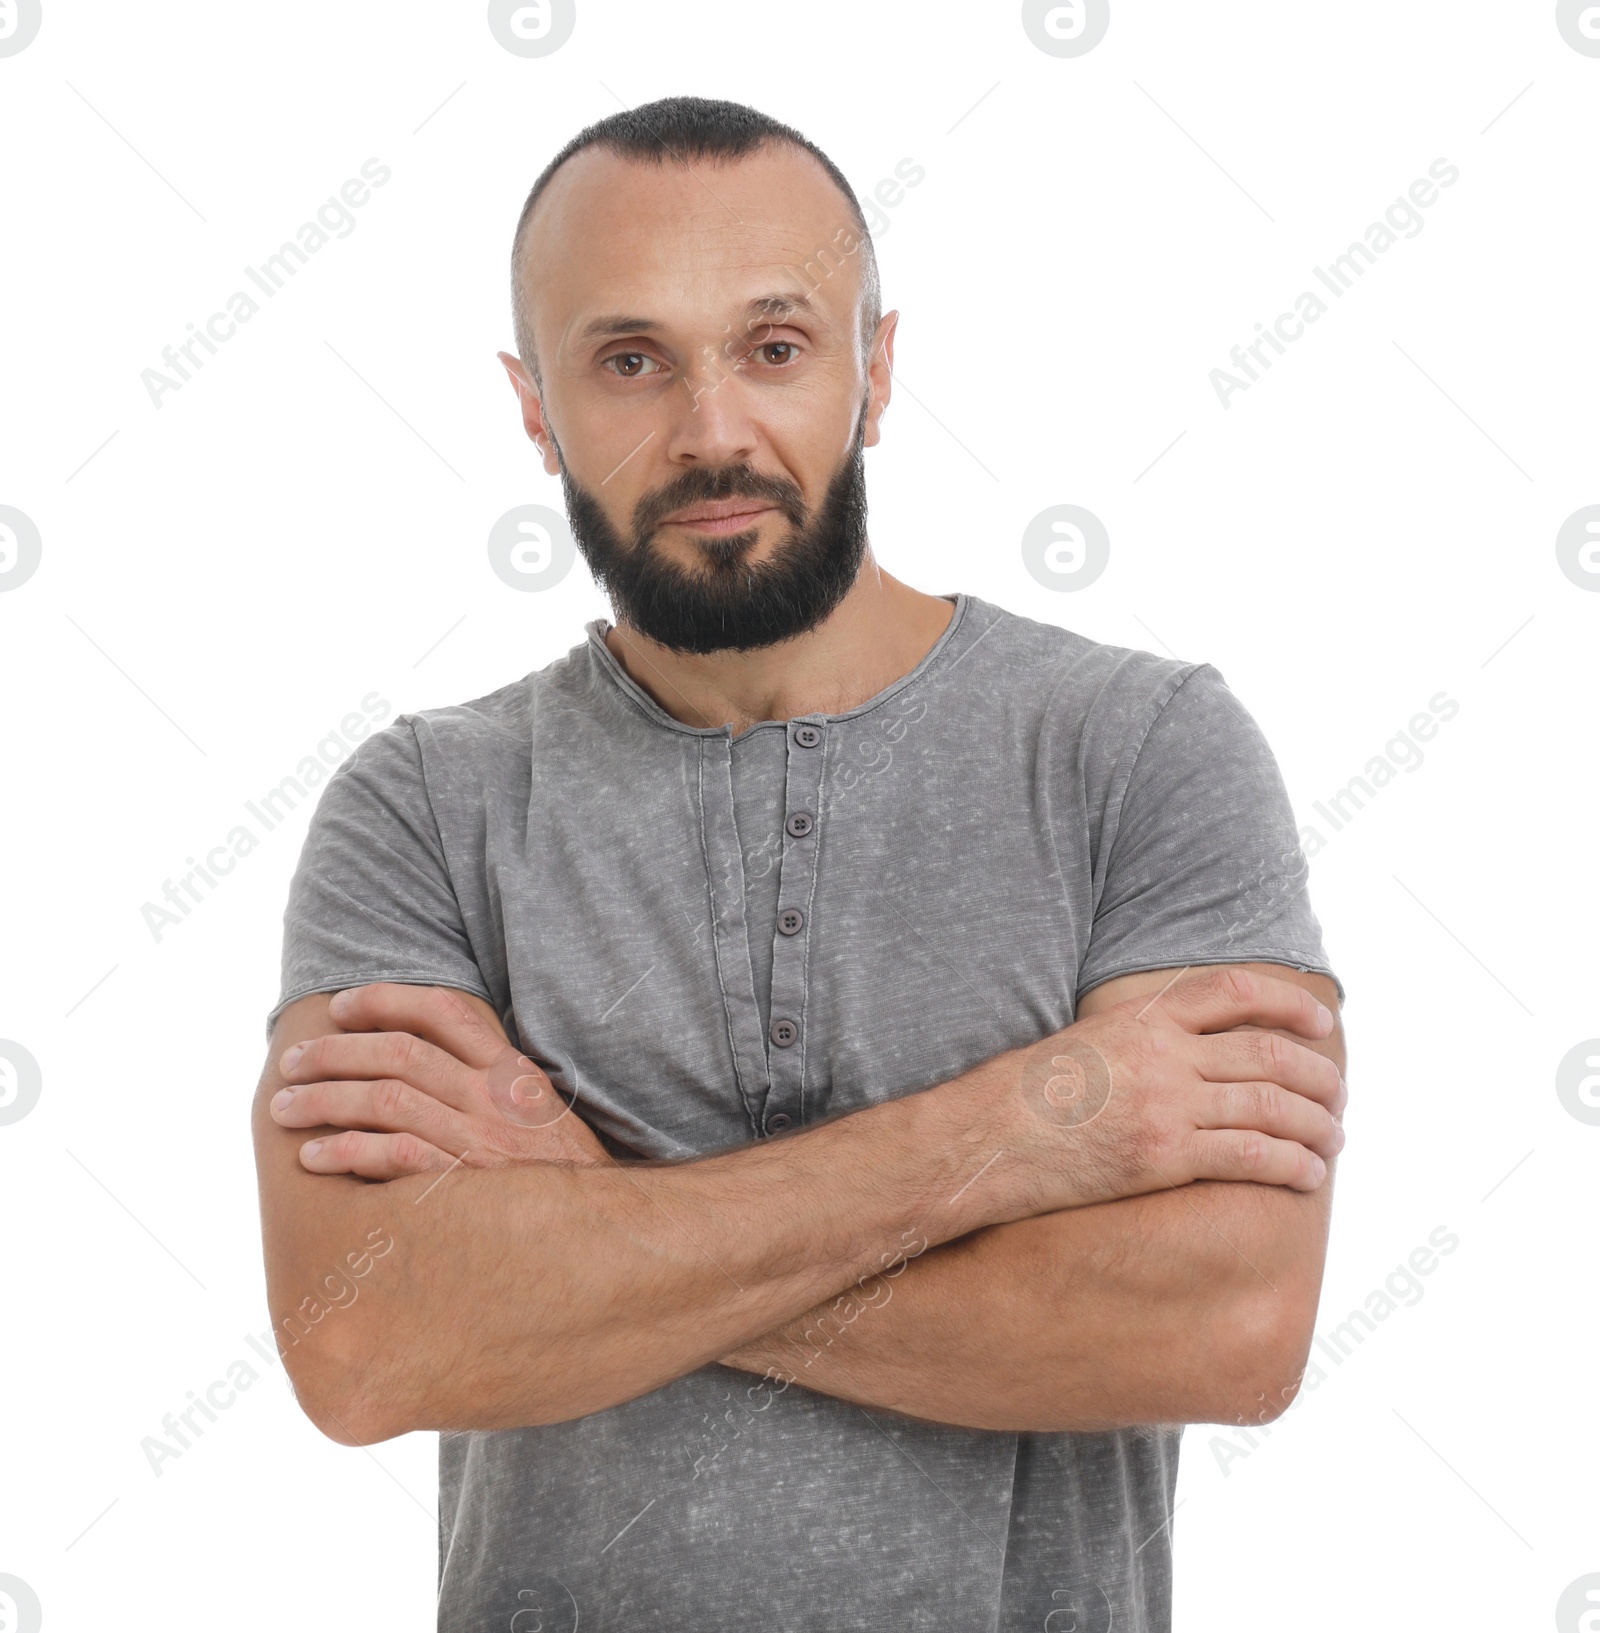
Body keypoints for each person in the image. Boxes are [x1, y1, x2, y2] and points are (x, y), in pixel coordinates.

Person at [251, 95, 1347, 1633]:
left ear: (876, 370)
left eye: (774, 347)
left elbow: (1230, 1324)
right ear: (534, 406)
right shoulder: (425, 806)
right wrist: (1022, 1129)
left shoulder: (1140, 750)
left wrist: (590, 1224)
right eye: (630, 361)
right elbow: (366, 1338)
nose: (713, 433)